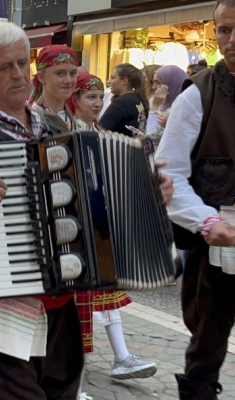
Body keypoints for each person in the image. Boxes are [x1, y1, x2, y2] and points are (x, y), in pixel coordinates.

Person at [0, 22, 174, 399]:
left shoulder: (56, 126)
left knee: (59, 390)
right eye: (3, 67)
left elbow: (92, 201)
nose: (17, 75)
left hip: (59, 299)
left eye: (20, 65)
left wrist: (148, 191)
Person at [158, 0, 235, 398]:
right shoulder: (197, 94)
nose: (233, 39)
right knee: (208, 337)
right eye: (224, 30)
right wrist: (206, 222)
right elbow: (168, 174)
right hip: (221, 222)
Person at [67, 73, 159, 400]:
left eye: (98, 97)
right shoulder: (66, 134)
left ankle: (121, 358)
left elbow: (128, 163)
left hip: (99, 230)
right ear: (73, 100)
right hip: (73, 234)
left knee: (104, 298)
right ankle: (73, 386)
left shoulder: (101, 134)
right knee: (75, 314)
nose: (96, 102)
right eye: (89, 97)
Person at [29, 45, 78, 128]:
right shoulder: (31, 120)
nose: (68, 80)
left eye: (72, 73)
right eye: (60, 73)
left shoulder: (77, 123)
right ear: (41, 77)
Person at [98, 63, 149, 136]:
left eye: (113, 78)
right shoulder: (137, 99)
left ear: (124, 81)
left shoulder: (123, 102)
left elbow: (101, 130)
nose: (109, 82)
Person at [145, 65, 188, 145]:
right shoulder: (155, 100)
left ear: (172, 83)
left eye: (158, 83)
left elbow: (153, 136)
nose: (154, 87)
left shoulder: (183, 106)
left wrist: (154, 108)